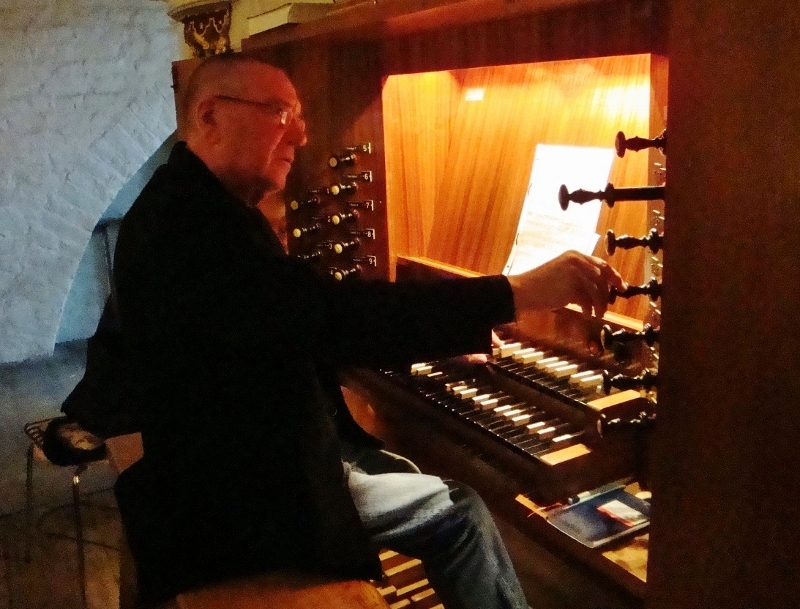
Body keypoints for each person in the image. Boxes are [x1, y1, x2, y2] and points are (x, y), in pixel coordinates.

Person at [112, 52, 625, 609]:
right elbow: (332, 319)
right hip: (240, 502)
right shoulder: (195, 230)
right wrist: (514, 293)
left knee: (400, 470)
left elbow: (286, 329)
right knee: (460, 512)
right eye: (281, 113)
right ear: (210, 115)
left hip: (223, 470)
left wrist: (441, 338)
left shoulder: (188, 206)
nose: (303, 135)